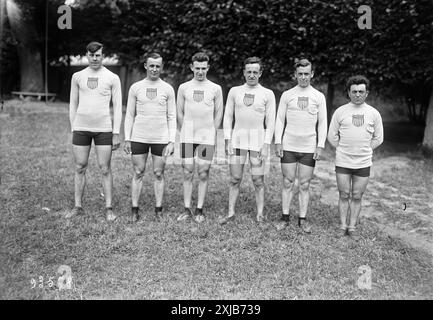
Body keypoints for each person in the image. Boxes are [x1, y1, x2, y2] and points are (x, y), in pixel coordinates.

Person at [67, 41, 122, 221]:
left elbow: (118, 106)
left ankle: (109, 208)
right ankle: (78, 206)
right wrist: (74, 126)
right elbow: (73, 103)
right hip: (81, 128)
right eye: (92, 55)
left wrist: (115, 132)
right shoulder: (77, 76)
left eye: (98, 55)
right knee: (79, 166)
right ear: (87, 55)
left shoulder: (112, 77)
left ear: (102, 55)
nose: (95, 58)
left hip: (103, 129)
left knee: (105, 168)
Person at [220, 56, 276, 224]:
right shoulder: (234, 91)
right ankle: (231, 213)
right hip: (237, 142)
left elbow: (271, 121)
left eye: (255, 72)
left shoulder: (267, 94)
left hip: (258, 144)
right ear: (244, 72)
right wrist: (227, 139)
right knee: (235, 178)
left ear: (260, 73)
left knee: (258, 180)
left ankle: (260, 214)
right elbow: (228, 116)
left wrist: (266, 144)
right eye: (249, 72)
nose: (252, 75)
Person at [274, 58, 327, 233]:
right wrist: (278, 141)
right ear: (295, 75)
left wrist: (320, 145)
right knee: (288, 182)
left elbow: (322, 123)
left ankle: (302, 219)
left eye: (307, 74)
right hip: (289, 145)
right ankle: (285, 217)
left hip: (308, 147)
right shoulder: (287, 95)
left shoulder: (318, 96)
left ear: (312, 74)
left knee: (304, 184)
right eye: (300, 74)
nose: (303, 77)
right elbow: (280, 119)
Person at [327, 75, 383, 240]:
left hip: (363, 161)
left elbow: (379, 138)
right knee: (344, 194)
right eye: (354, 91)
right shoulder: (340, 111)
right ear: (349, 93)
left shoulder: (373, 113)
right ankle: (342, 225)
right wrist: (344, 149)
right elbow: (331, 136)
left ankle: (352, 227)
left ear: (367, 93)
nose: (357, 94)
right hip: (343, 160)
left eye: (361, 91)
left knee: (357, 195)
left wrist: (364, 150)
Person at [124, 53, 176, 222]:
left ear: (162, 67)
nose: (154, 69)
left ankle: (158, 210)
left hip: (160, 138)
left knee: (158, 173)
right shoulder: (136, 87)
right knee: (138, 172)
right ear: (146, 66)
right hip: (139, 136)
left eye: (157, 66)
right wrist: (127, 138)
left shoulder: (168, 88)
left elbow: (172, 116)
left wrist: (171, 140)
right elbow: (130, 115)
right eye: (151, 65)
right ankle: (134, 209)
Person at [176, 52, 224, 223]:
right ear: (192, 68)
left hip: (206, 138)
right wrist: (185, 131)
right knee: (188, 171)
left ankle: (199, 210)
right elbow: (179, 112)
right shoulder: (184, 88)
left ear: (208, 68)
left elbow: (219, 114)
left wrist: (212, 133)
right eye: (197, 68)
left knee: (203, 172)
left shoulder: (215, 88)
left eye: (204, 68)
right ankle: (187, 208)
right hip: (188, 136)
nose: (200, 72)